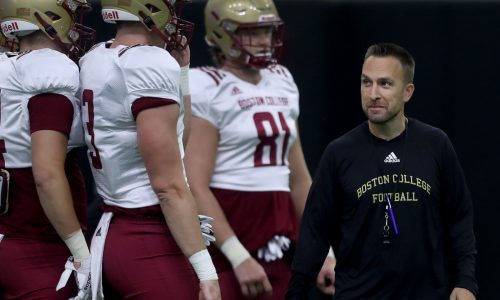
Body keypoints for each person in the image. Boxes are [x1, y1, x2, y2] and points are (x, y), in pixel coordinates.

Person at [286, 42, 478, 300]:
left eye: (385, 84)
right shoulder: (339, 153)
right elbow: (314, 234)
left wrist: (465, 281)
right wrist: (295, 295)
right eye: (367, 83)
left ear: (407, 91)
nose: (373, 93)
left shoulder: (436, 145)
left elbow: (460, 218)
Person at [184, 0, 335, 299]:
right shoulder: (208, 86)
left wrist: (324, 251)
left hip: (275, 236)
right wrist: (237, 255)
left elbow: (299, 178)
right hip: (227, 233)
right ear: (222, 34)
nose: (264, 41)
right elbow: (195, 185)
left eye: (266, 31)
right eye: (251, 32)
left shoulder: (282, 81)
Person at [78, 0, 221, 299]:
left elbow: (177, 144)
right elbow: (168, 185)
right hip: (148, 234)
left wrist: (182, 73)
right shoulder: (148, 62)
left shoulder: (97, 56)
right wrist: (207, 272)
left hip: (119, 227)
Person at [0, 0, 95, 299]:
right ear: (51, 16)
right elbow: (47, 175)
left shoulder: (7, 67)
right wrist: (82, 255)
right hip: (36, 246)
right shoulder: (47, 67)